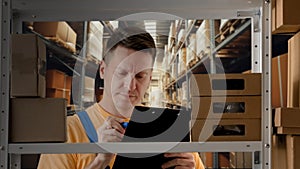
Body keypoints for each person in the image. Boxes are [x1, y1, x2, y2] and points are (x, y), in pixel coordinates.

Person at [38, 26, 205, 169]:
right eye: (122, 73)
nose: (130, 86)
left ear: (150, 78)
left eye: (140, 76)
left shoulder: (170, 131)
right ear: (103, 70)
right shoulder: (68, 132)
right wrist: (100, 162)